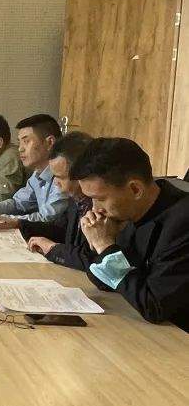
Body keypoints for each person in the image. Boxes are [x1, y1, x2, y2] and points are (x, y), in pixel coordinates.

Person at [70, 137, 189, 330]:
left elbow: (154, 306)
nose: (95, 208)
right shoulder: (127, 213)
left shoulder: (182, 222)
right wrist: (101, 243)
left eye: (100, 199)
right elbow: (103, 282)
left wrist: (105, 246)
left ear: (135, 189)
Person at [0, 114, 68, 224]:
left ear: (50, 142)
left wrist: (4, 219)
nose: (20, 149)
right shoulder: (37, 174)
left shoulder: (62, 176)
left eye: (26, 141)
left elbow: (46, 219)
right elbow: (17, 204)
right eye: (19, 142)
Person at [20, 132, 94, 271]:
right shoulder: (76, 200)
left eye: (60, 177)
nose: (55, 183)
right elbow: (60, 230)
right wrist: (18, 224)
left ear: (82, 174)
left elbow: (93, 260)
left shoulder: (101, 206)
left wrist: (52, 248)